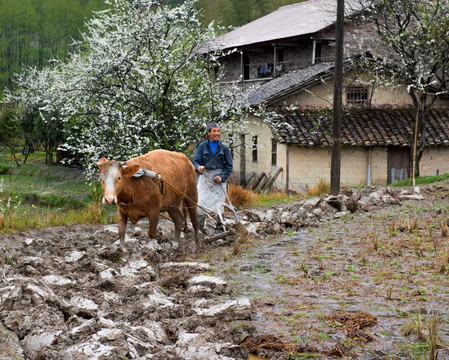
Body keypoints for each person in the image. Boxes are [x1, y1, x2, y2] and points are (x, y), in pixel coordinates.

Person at [192, 122, 233, 234]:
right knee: (200, 203)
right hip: (205, 178)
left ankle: (220, 228)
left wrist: (222, 176)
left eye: (218, 131)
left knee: (219, 204)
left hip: (218, 180)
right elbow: (195, 161)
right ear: (208, 132)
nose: (217, 133)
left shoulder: (224, 148)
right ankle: (199, 229)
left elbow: (229, 166)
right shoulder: (202, 146)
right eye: (214, 131)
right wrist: (198, 167)